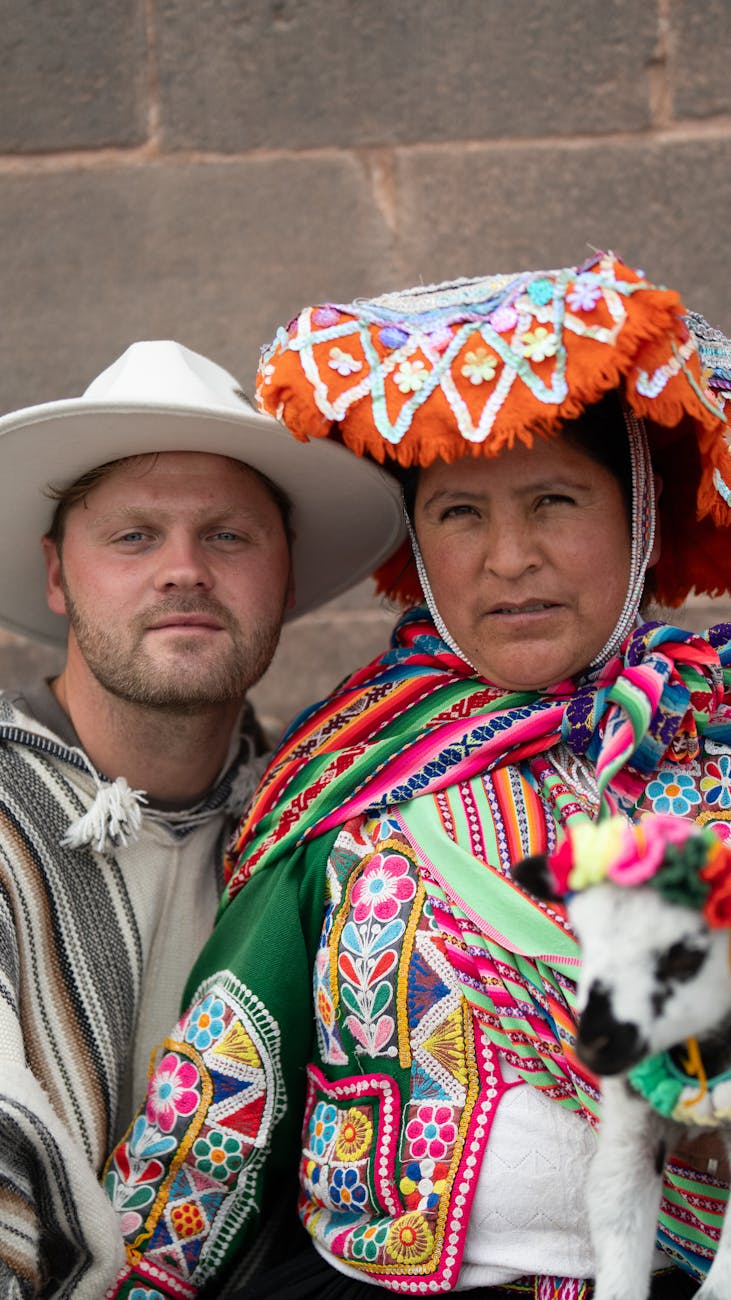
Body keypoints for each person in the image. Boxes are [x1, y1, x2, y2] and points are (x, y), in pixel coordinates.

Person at [105, 256, 731, 1299]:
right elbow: (221, 1079)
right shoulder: (343, 772)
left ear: (636, 523)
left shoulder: (710, 741)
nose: (508, 557)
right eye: (458, 514)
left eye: (553, 501)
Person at [0, 339, 403, 1298]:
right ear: (60, 578)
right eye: (134, 536)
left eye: (227, 536)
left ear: (287, 578)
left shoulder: (331, 826)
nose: (183, 570)